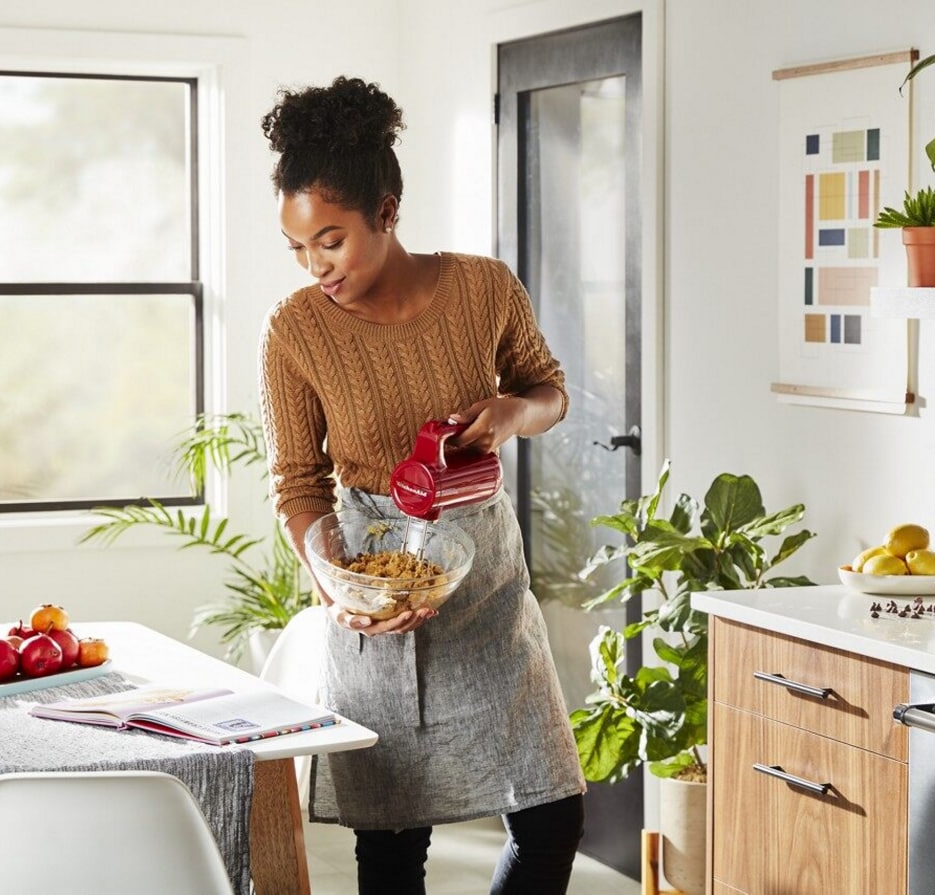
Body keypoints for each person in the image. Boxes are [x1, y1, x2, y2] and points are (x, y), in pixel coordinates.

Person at [257, 76, 586, 895]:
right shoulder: (294, 330)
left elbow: (549, 390)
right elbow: (298, 482)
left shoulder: (483, 289)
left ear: (388, 212)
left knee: (551, 814)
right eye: (299, 248)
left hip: (488, 583)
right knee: (393, 842)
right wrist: (336, 582)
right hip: (374, 577)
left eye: (330, 240)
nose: (315, 265)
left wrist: (512, 412)